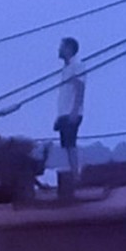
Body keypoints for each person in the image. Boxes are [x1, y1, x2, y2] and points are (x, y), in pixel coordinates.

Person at [53, 37, 87, 192]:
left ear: (69, 49)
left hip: (71, 112)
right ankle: (73, 175)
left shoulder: (77, 65)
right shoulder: (66, 68)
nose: (59, 49)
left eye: (62, 47)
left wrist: (74, 111)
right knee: (66, 145)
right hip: (64, 113)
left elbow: (80, 89)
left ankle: (76, 176)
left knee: (71, 145)